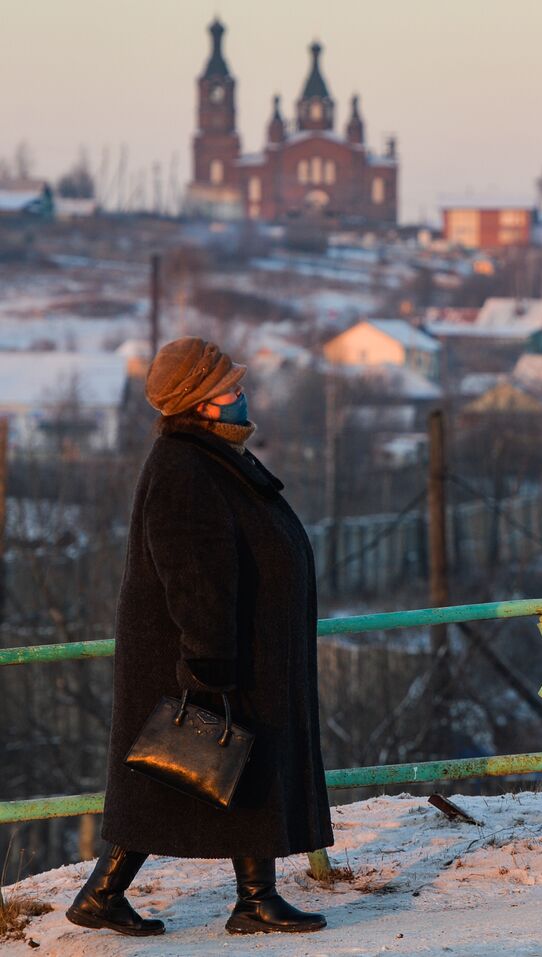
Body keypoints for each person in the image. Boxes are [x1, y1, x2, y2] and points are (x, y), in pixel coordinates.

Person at [66, 336, 333, 936]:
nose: (242, 394)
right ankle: (115, 896)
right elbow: (193, 570)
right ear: (199, 402)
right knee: (180, 771)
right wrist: (208, 658)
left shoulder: (212, 455)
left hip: (237, 648)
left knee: (223, 768)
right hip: (206, 652)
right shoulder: (186, 466)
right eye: (229, 388)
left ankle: (249, 899)